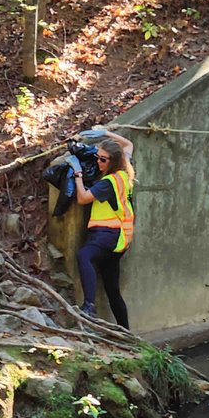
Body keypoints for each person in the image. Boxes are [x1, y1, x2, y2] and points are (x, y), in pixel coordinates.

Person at [69, 129, 135, 328]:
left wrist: (78, 174)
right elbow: (129, 145)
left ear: (113, 161)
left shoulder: (109, 182)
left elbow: (82, 198)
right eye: (98, 157)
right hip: (120, 238)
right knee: (112, 289)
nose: (98, 162)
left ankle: (89, 306)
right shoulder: (125, 172)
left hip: (108, 234)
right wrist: (106, 132)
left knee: (84, 256)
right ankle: (126, 332)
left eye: (103, 159)